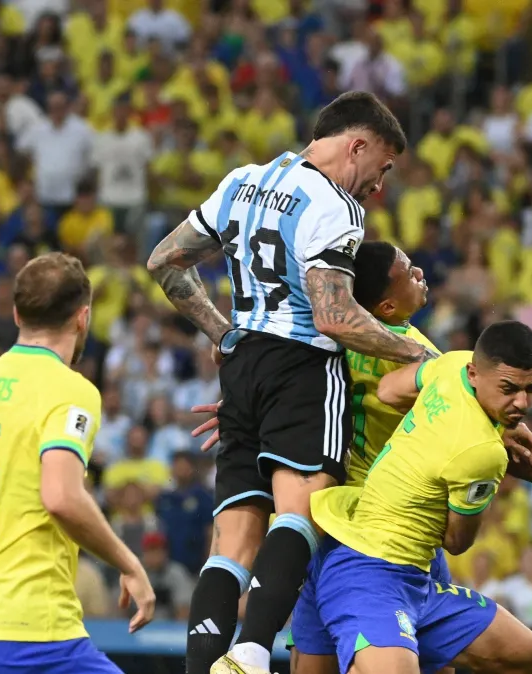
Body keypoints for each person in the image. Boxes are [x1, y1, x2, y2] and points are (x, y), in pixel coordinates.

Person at [187, 244, 532, 673]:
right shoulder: (426, 358)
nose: (421, 272)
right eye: (410, 273)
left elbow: (284, 388)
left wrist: (244, 409)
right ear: (387, 307)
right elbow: (487, 461)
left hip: (355, 522)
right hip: (363, 539)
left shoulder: (321, 350)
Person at [146, 91, 440, 674]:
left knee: (230, 543)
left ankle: (202, 667)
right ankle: (252, 656)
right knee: (297, 516)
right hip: (302, 366)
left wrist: (225, 335)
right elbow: (333, 316)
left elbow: (163, 261)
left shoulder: (241, 182)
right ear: (357, 144)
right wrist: (420, 356)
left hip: (245, 362)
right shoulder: (335, 206)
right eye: (381, 168)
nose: (378, 187)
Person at [0, 253, 155, 673]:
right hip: (34, 632)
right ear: (82, 317)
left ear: (16, 314)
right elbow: (61, 496)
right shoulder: (70, 389)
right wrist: (130, 564)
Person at [306, 321, 532, 673]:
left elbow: (389, 390)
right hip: (368, 571)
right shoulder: (483, 452)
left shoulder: (452, 366)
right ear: (475, 373)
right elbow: (456, 540)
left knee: (526, 654)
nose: (522, 403)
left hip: (416, 576)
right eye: (509, 389)